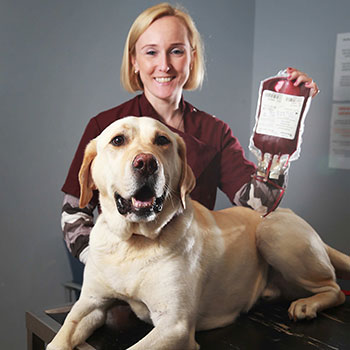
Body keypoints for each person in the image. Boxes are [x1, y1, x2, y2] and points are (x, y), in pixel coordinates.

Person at [61, 3, 319, 264]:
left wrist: (282, 130)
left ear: (192, 58)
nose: (164, 65)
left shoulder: (214, 131)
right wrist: (103, 269)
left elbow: (259, 205)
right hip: (124, 274)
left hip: (190, 269)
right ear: (134, 61)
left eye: (176, 51)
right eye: (151, 52)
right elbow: (73, 216)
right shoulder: (106, 128)